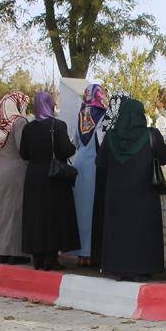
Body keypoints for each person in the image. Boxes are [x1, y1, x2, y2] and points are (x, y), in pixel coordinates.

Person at [96, 98, 166, 281]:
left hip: (116, 195)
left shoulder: (111, 136)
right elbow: (165, 157)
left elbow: (100, 163)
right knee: (142, 231)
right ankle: (141, 269)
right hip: (143, 194)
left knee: (119, 230)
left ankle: (119, 268)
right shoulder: (151, 135)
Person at [20, 91, 80, 270]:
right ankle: (51, 258)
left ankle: (37, 257)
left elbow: (23, 153)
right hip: (53, 177)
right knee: (53, 216)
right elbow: (66, 150)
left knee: (36, 216)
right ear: (51, 105)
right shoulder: (58, 125)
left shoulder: (28, 128)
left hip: (33, 177)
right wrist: (71, 145)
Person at [0, 91, 30, 265]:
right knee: (14, 212)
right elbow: (23, 149)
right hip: (15, 171)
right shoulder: (19, 122)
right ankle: (14, 253)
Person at [68, 83, 108, 267]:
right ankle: (92, 252)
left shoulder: (81, 115)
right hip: (96, 167)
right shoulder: (104, 115)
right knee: (94, 210)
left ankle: (81, 254)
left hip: (80, 166)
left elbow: (76, 141)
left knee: (80, 210)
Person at [90, 90, 129, 265]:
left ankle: (98, 255)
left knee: (101, 213)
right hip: (117, 174)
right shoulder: (124, 124)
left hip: (102, 171)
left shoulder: (103, 122)